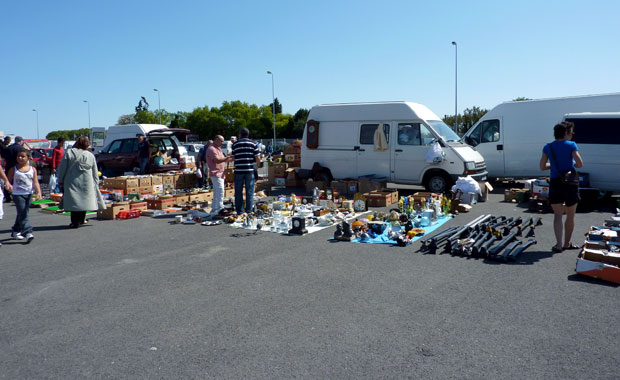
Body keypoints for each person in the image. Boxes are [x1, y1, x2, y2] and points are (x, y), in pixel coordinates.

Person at [539, 121, 584, 253]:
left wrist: (552, 166)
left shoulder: (548, 147)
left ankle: (558, 245)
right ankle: (566, 243)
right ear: (566, 133)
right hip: (570, 183)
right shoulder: (571, 145)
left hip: (555, 183)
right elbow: (580, 164)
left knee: (558, 215)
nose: (572, 134)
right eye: (571, 132)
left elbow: (542, 167)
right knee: (570, 215)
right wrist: (571, 165)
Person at [57, 136, 106, 229]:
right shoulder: (90, 155)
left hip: (71, 181)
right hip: (87, 183)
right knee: (84, 201)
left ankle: (75, 222)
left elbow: (62, 168)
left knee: (74, 201)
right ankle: (81, 219)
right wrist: (96, 183)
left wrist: (60, 180)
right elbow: (95, 172)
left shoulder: (69, 152)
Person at [7, 148, 41, 243]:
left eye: (23, 156)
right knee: (23, 213)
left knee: (23, 213)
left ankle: (15, 230)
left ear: (28, 157)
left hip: (29, 194)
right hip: (17, 194)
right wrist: (8, 189)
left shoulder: (32, 169)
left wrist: (39, 192)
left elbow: (35, 182)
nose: (20, 158)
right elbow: (8, 181)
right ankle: (27, 232)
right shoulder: (13, 169)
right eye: (18, 156)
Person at [231, 128, 260, 214]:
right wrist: (256, 168)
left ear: (240, 134)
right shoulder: (253, 143)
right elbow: (258, 158)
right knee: (249, 191)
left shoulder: (235, 144)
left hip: (238, 170)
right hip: (249, 170)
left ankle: (239, 211)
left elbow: (233, 157)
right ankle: (249, 211)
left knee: (238, 191)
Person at [206, 135, 233, 215]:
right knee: (220, 190)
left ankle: (214, 208)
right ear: (216, 140)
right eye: (221, 141)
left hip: (220, 173)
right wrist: (228, 156)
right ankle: (220, 208)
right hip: (216, 173)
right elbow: (217, 160)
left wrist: (232, 158)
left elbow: (223, 159)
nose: (222, 143)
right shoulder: (212, 149)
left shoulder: (218, 149)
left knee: (217, 191)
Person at [4, 136, 26, 202]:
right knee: (18, 181)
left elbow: (4, 158)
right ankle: (17, 196)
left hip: (8, 166)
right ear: (20, 141)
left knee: (8, 181)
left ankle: (7, 197)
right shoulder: (21, 148)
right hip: (18, 167)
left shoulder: (8, 148)